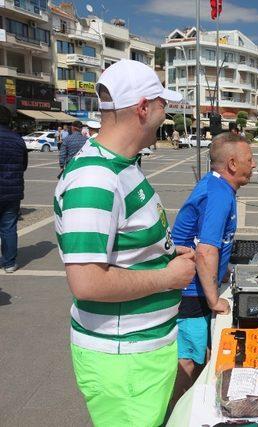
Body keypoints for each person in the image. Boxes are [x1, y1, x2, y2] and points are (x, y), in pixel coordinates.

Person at [54, 59, 195, 426]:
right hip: (124, 359)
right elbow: (87, 282)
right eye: (163, 105)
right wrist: (168, 277)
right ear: (143, 108)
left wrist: (161, 254)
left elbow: (123, 247)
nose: (166, 115)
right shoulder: (95, 178)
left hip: (141, 352)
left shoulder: (124, 165)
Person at [170, 132, 255, 404]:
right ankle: (169, 412)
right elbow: (206, 251)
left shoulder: (217, 186)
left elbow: (215, 243)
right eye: (249, 160)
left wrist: (225, 271)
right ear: (232, 163)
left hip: (196, 286)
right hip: (191, 293)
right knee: (190, 360)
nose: (253, 165)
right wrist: (213, 299)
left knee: (197, 354)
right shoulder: (218, 194)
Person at [0, 106, 28, 273]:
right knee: (9, 227)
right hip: (12, 191)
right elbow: (23, 165)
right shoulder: (18, 139)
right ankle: (9, 263)